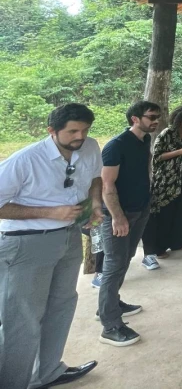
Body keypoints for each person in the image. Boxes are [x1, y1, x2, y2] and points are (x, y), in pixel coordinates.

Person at [0, 103, 101, 389]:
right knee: (22, 320)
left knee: (62, 305)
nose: (79, 136)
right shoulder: (25, 160)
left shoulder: (90, 146)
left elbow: (95, 176)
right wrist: (49, 212)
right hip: (25, 245)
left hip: (68, 237)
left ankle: (47, 373)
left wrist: (94, 202)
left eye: (84, 129)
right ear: (51, 131)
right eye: (72, 131)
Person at [98, 100, 160, 347]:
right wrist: (118, 217)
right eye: (151, 116)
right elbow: (107, 184)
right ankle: (110, 325)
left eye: (157, 115)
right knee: (113, 266)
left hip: (140, 209)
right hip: (119, 214)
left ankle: (112, 303)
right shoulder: (116, 145)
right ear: (135, 118)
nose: (156, 120)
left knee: (125, 259)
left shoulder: (145, 140)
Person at [142, 106, 182, 262]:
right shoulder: (166, 134)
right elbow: (157, 157)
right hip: (167, 180)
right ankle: (160, 248)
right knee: (165, 212)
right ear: (177, 119)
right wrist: (179, 152)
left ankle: (181, 242)